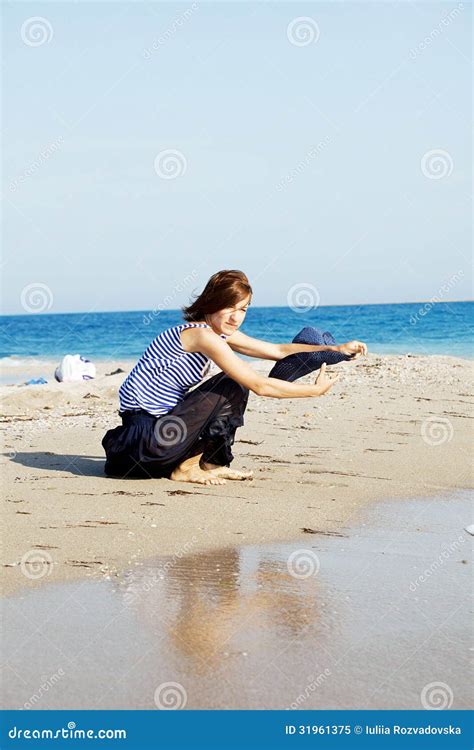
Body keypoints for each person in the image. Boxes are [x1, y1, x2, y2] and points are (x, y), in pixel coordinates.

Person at [102, 270, 367, 485]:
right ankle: (188, 467)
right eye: (229, 307)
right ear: (210, 303)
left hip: (152, 445)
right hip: (143, 444)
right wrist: (314, 392)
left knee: (235, 382)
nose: (236, 317)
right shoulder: (200, 335)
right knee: (233, 382)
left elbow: (276, 350)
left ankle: (210, 463)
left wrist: (335, 349)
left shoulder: (213, 334)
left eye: (243, 309)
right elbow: (259, 385)